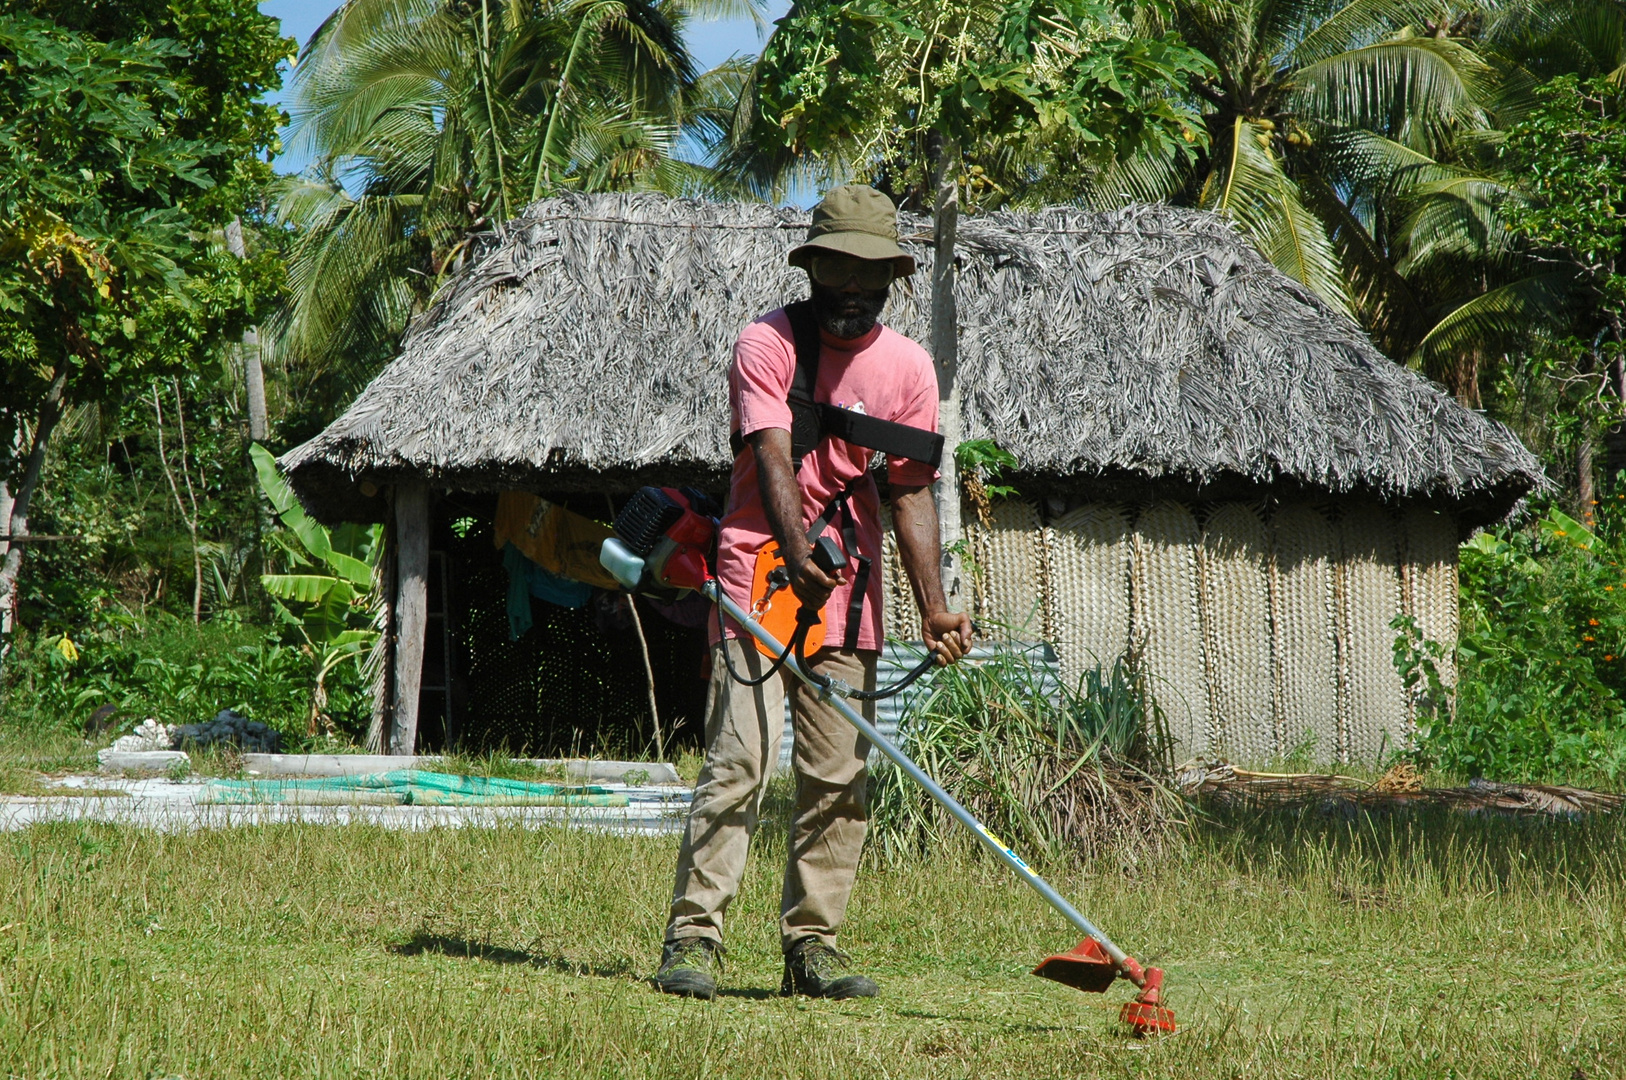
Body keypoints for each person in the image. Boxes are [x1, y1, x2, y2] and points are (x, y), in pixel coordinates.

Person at [653, 184, 974, 1001]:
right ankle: (694, 941)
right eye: (839, 273)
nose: (854, 291)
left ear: (893, 280)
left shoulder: (908, 369)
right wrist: (794, 553)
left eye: (871, 277)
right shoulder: (769, 342)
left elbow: (908, 495)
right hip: (758, 571)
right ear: (813, 269)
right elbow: (769, 453)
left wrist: (934, 605)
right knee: (740, 763)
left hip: (849, 589)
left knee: (838, 779)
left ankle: (812, 949)